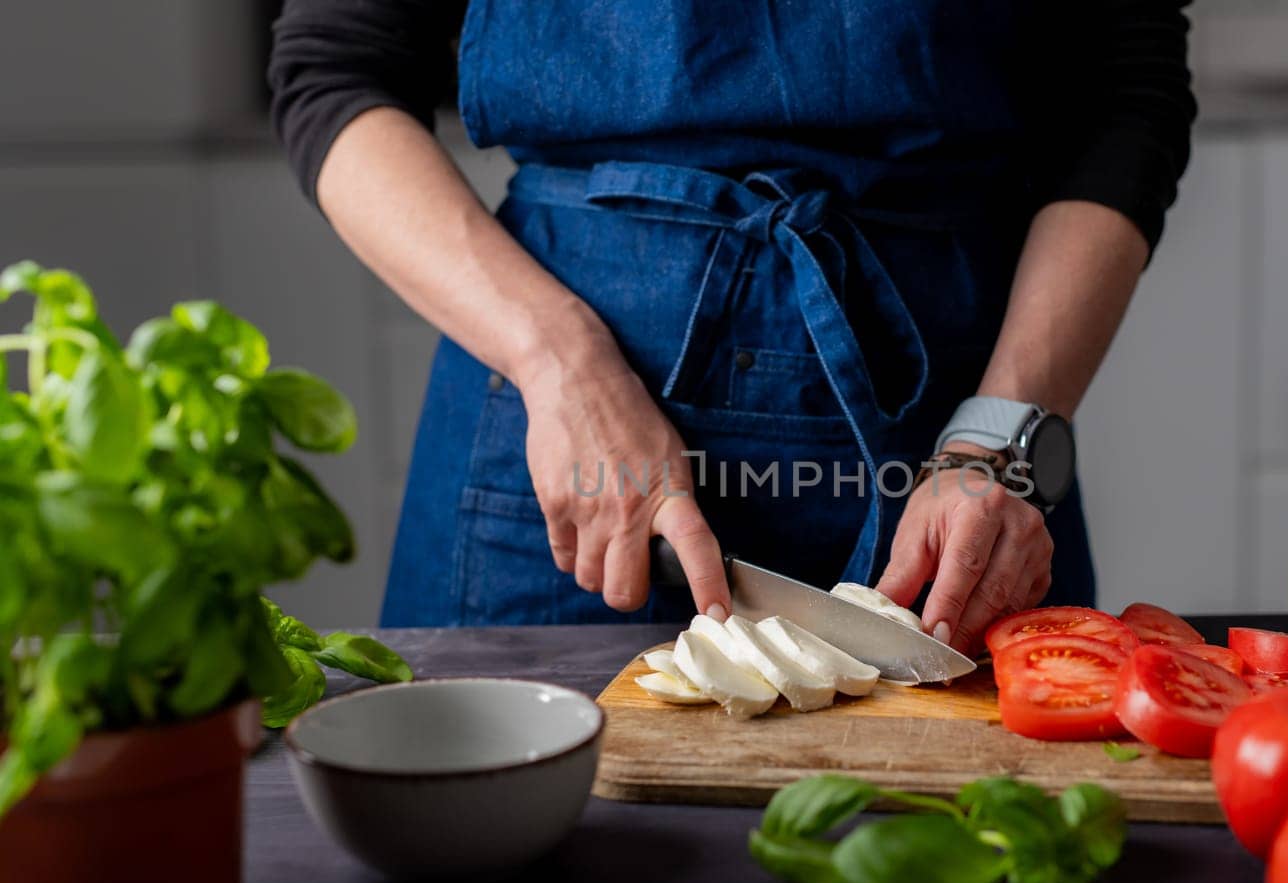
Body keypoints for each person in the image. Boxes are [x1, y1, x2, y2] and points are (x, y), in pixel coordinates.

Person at [269, 0, 1195, 654]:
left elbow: (1124, 92)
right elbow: (335, 73)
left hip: (955, 454)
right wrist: (562, 367)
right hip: (563, 460)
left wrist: (998, 437)